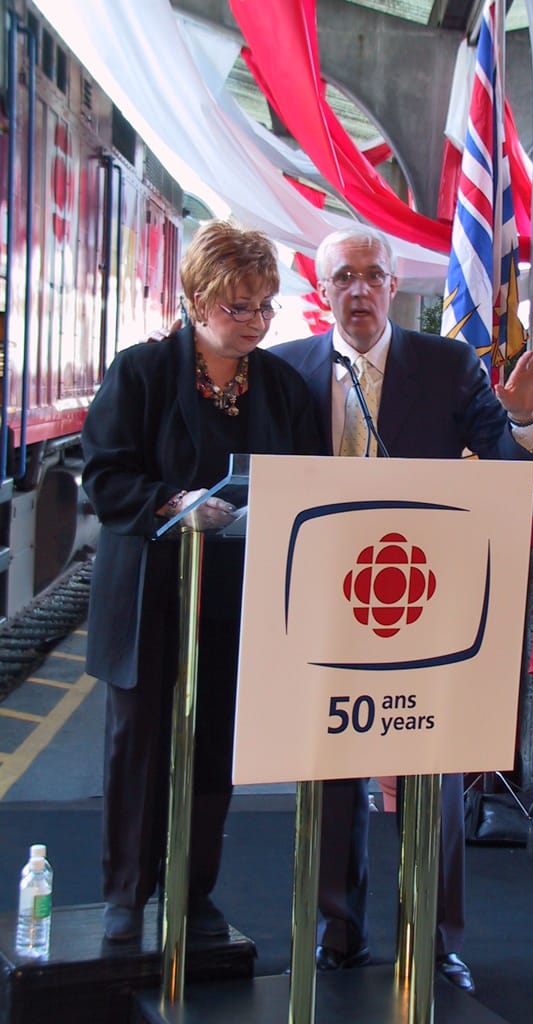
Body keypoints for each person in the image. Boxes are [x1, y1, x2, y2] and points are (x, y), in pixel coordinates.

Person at [270, 225, 533, 993]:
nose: (360, 289)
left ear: (394, 283)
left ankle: (434, 942)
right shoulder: (286, 371)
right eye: (344, 277)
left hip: (425, 604)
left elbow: (508, 474)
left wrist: (523, 420)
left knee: (427, 776)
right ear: (322, 288)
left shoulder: (447, 364)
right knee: (329, 775)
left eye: (373, 275)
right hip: (321, 612)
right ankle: (337, 938)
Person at [82, 220, 323, 942]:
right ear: (196, 300)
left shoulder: (281, 387)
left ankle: (193, 890)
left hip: (235, 596)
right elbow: (105, 474)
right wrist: (175, 502)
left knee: (216, 742)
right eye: (238, 306)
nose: (254, 321)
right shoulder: (142, 371)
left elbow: (308, 479)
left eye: (264, 306)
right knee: (139, 741)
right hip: (151, 591)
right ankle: (127, 890)